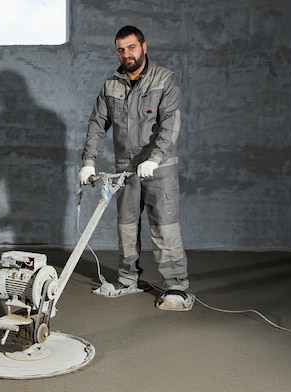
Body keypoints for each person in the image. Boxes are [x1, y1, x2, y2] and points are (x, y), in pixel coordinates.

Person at [79, 25, 193, 311]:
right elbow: (97, 125)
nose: (126, 54)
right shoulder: (111, 85)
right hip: (125, 170)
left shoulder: (164, 80)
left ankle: (176, 287)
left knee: (164, 229)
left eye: (131, 47)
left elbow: (169, 125)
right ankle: (128, 280)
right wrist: (88, 161)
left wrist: (154, 159)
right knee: (126, 228)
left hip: (159, 168)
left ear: (144, 47)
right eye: (121, 49)